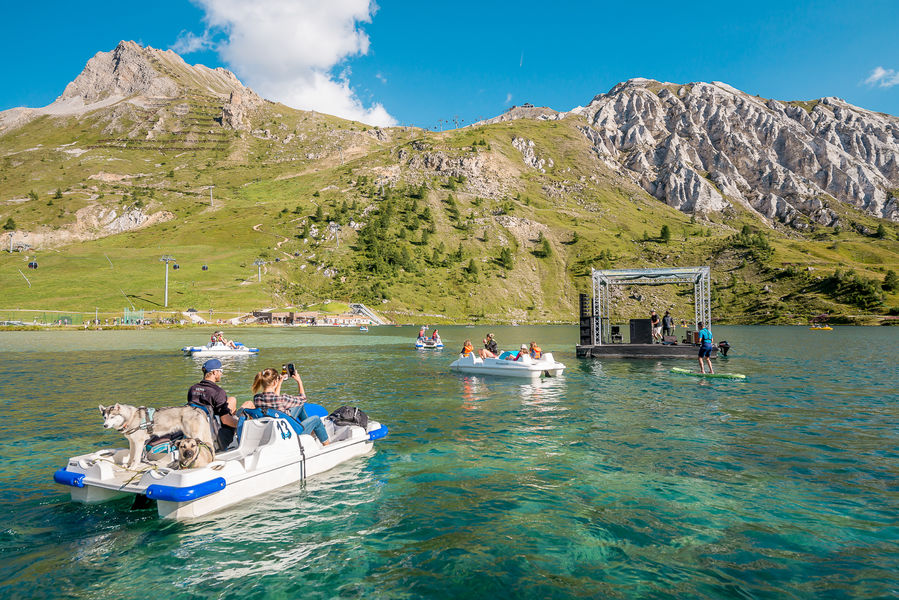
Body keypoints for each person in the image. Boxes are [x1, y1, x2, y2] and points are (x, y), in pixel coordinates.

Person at [245, 367, 330, 445]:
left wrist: (280, 382)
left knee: (299, 406)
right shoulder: (283, 399)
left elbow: (273, 398)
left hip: (273, 428)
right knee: (316, 419)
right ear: (275, 382)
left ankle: (309, 431)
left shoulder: (256, 398)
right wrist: (299, 381)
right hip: (289, 432)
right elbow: (303, 398)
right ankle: (326, 444)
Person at [188, 359, 243, 449]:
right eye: (220, 371)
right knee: (241, 415)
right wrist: (242, 424)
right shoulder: (218, 392)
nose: (221, 374)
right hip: (217, 434)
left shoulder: (192, 389)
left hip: (200, 428)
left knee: (232, 400)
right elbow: (225, 420)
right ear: (214, 372)